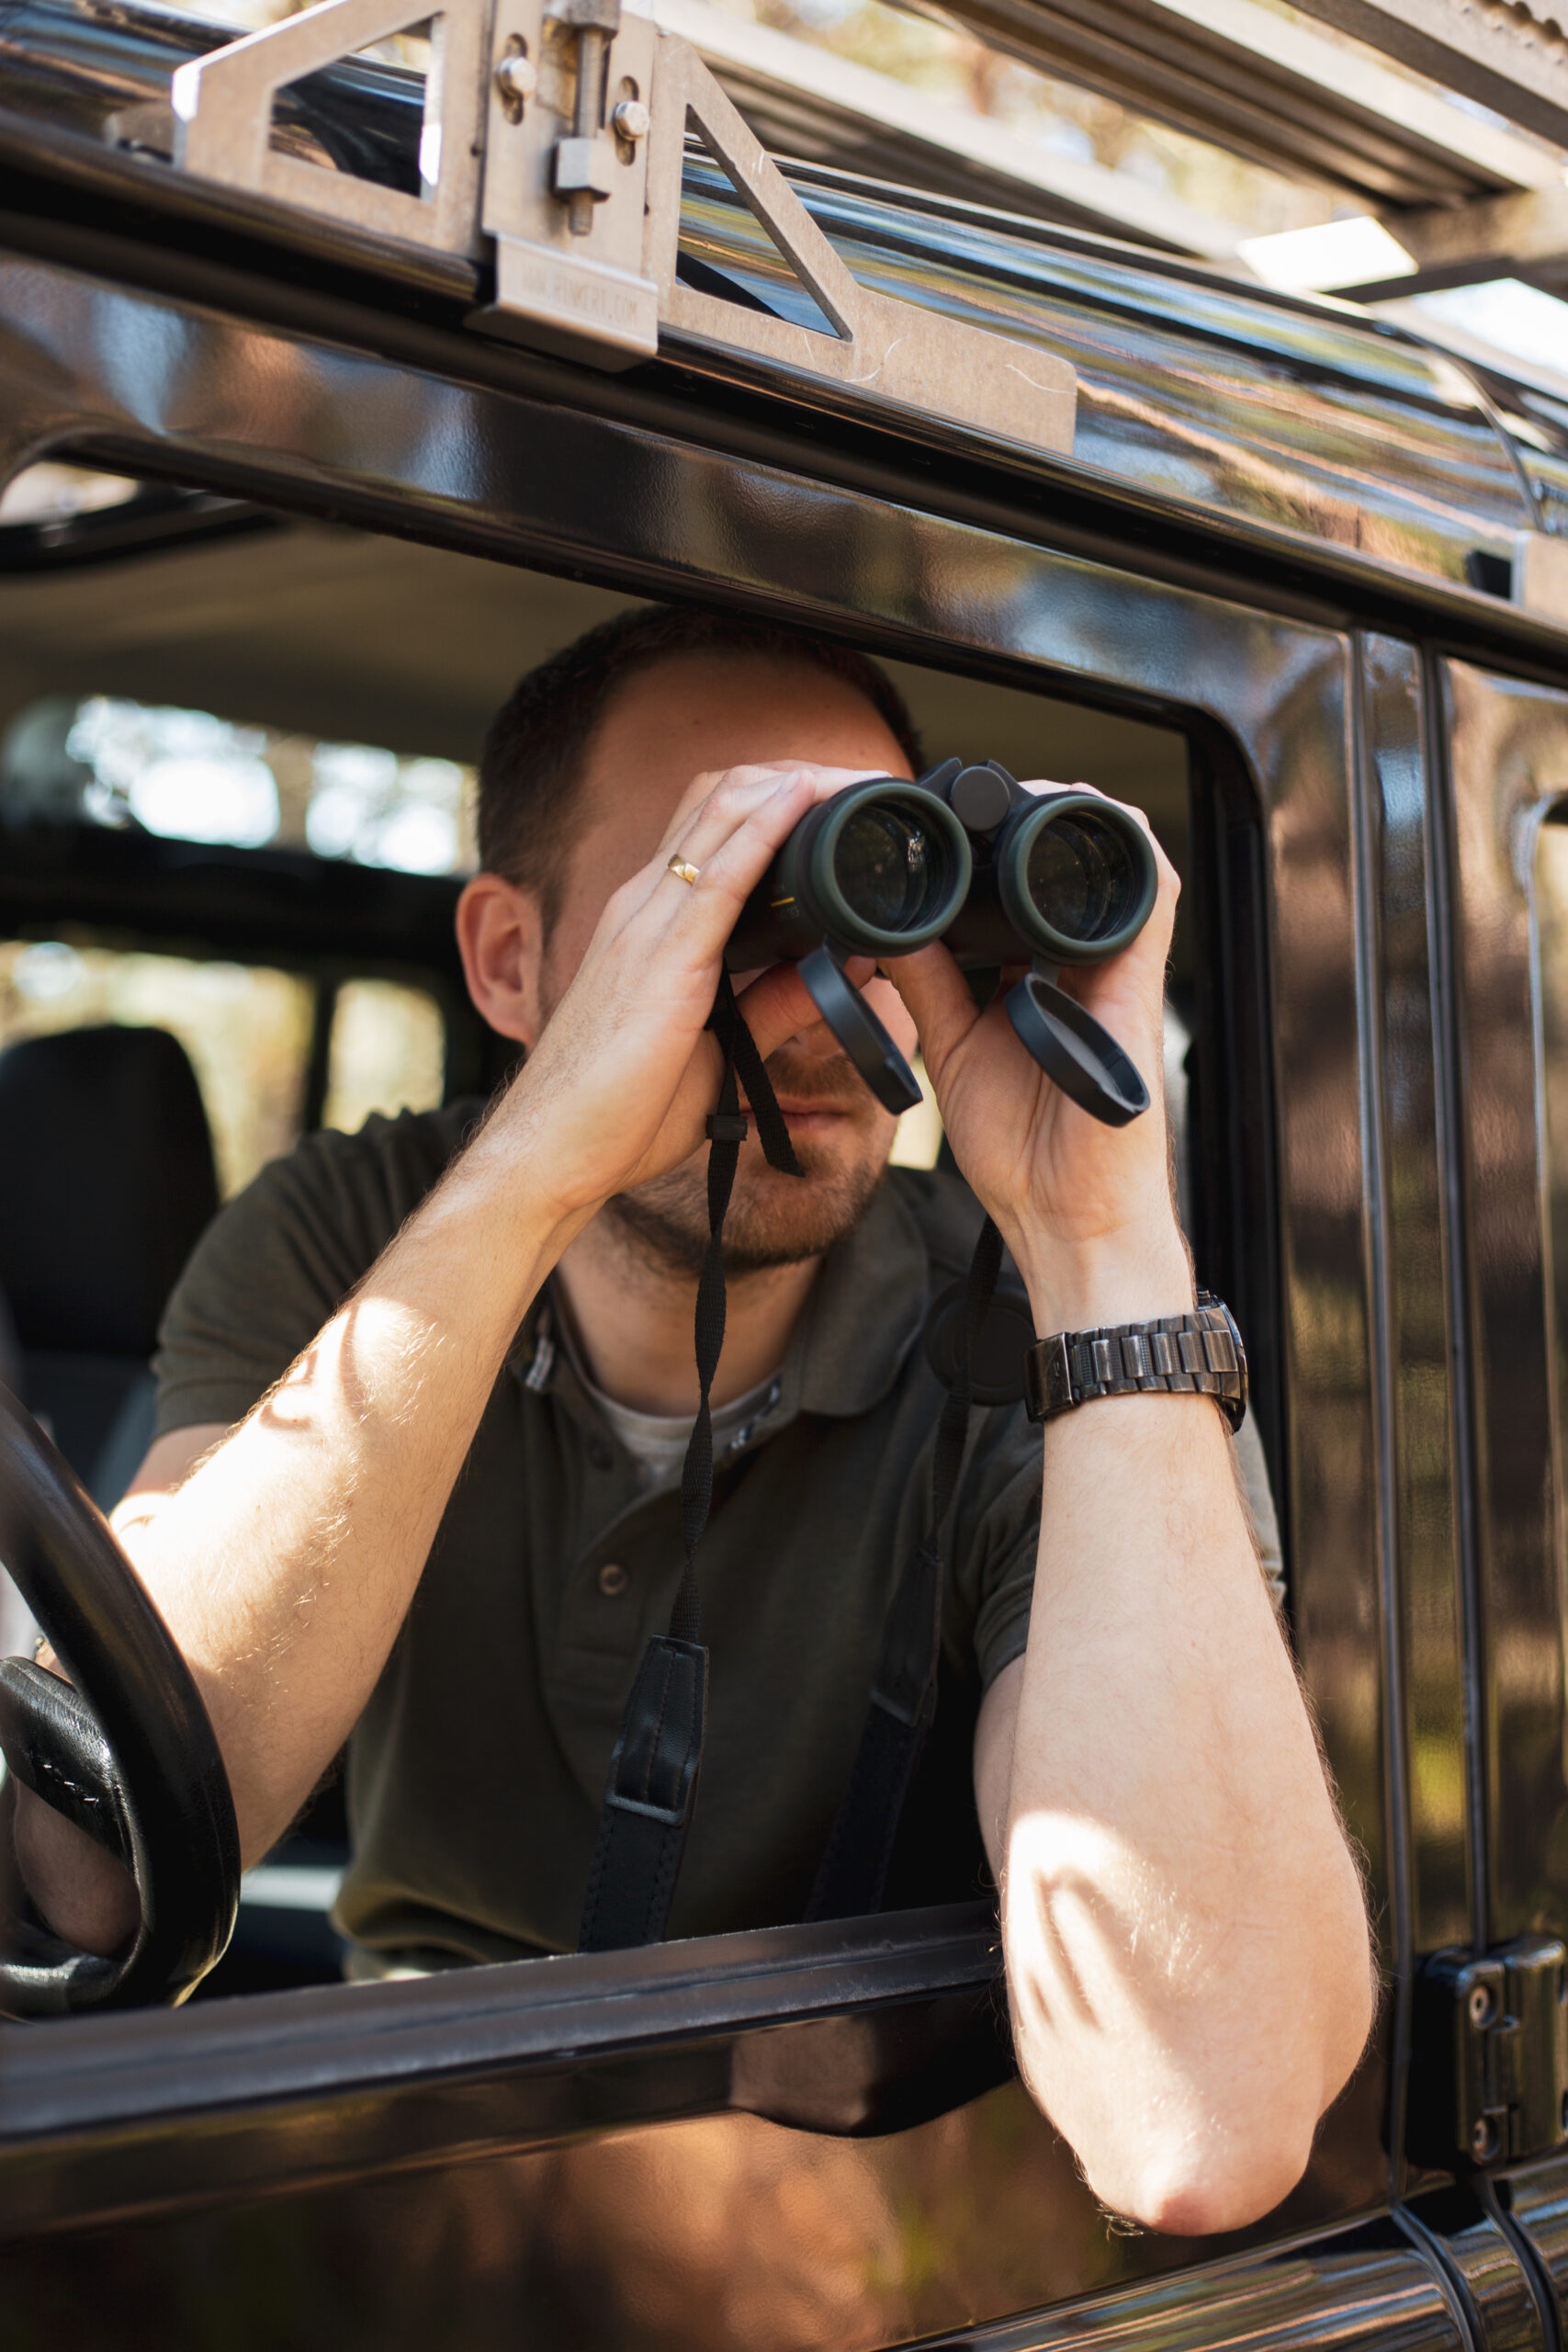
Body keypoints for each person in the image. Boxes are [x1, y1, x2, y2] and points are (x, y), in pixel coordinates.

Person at [13, 606, 1372, 2234]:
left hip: (855, 2231)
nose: (810, 1009)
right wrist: (539, 1164)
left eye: (867, 892)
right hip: (411, 2186)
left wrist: (1098, 1236)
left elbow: (1200, 2123)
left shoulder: (1043, 1337)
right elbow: (92, 1868)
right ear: (511, 965)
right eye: (717, 901)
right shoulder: (351, 1228)